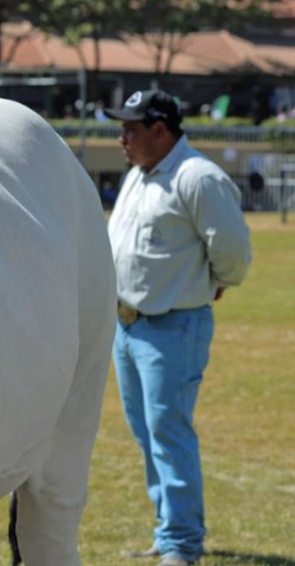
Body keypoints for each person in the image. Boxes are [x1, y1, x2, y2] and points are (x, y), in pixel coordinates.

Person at [105, 90, 252, 566]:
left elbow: (232, 251)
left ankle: (182, 543)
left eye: (131, 129)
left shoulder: (197, 178)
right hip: (127, 328)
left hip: (173, 326)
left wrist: (216, 283)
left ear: (161, 131)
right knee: (147, 433)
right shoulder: (139, 175)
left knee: (169, 431)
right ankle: (168, 531)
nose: (122, 138)